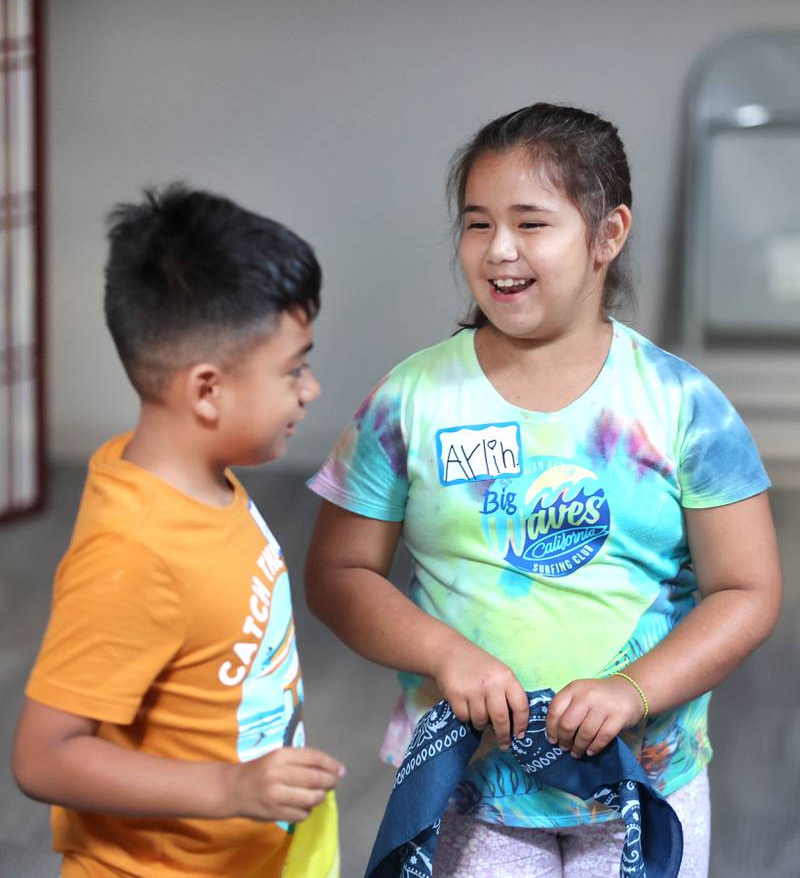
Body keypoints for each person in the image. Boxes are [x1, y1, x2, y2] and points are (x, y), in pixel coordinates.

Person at [303, 103, 782, 878]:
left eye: (531, 224)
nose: (499, 250)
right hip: (472, 785)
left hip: (643, 785)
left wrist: (635, 687)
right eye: (476, 223)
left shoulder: (683, 404)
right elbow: (337, 574)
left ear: (608, 235)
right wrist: (445, 655)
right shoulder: (411, 400)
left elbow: (748, 589)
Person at [13, 184, 344, 877]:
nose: (309, 391)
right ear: (205, 390)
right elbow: (43, 756)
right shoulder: (133, 551)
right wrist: (228, 789)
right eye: (294, 369)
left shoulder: (203, 480)